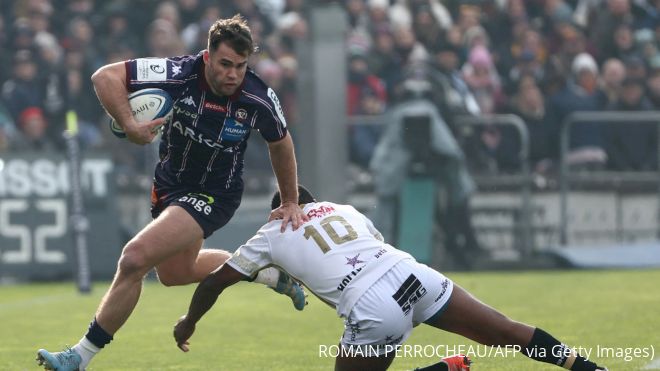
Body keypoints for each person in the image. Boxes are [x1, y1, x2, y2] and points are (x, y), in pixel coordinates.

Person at [36, 15, 308, 371]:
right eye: (225, 64)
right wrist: (131, 125)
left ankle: (80, 356)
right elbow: (104, 77)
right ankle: (268, 273)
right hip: (169, 186)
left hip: (214, 194)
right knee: (176, 273)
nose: (233, 75)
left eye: (241, 66)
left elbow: (281, 142)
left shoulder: (257, 97)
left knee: (134, 258)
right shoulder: (177, 72)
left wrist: (290, 201)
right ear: (208, 58)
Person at [173, 186, 608, 371]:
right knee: (506, 331)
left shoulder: (268, 233)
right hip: (411, 272)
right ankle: (590, 368)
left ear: (277, 209)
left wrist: (188, 322)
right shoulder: (342, 208)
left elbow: (213, 281)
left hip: (370, 303)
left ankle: (442, 370)